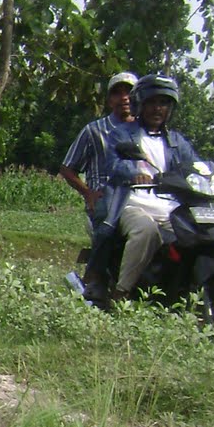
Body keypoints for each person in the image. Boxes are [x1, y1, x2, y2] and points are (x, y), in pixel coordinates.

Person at [98, 73, 214, 301]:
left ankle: (185, 289)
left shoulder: (177, 141)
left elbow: (197, 166)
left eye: (164, 103)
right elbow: (112, 163)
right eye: (152, 102)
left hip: (170, 207)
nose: (158, 108)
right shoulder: (122, 134)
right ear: (141, 104)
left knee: (201, 233)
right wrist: (134, 173)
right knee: (146, 231)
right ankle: (121, 292)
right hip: (133, 203)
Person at [60, 72, 137, 300]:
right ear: (109, 100)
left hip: (142, 197)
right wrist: (88, 193)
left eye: (130, 92)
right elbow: (67, 168)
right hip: (106, 195)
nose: (124, 98)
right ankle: (93, 279)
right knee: (108, 226)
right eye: (118, 92)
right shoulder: (95, 130)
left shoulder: (146, 130)